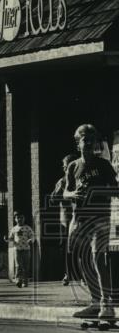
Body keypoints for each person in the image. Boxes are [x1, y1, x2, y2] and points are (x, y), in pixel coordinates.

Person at [63, 124, 117, 320]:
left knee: (97, 258)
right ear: (78, 143)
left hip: (99, 216)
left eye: (91, 140)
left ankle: (106, 304)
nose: (88, 143)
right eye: (84, 139)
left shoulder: (103, 165)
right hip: (79, 218)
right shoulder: (73, 166)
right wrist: (72, 194)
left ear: (95, 143)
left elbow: (116, 190)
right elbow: (65, 192)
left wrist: (96, 193)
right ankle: (95, 302)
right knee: (82, 258)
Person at [51, 153, 80, 286]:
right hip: (67, 220)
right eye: (64, 166)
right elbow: (53, 199)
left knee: (82, 245)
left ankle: (83, 274)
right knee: (67, 247)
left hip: (81, 217)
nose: (64, 169)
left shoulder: (81, 178)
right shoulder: (62, 181)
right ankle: (68, 274)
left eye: (65, 166)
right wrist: (62, 187)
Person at [7, 212, 35, 288]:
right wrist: (7, 239)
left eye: (21, 218)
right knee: (18, 265)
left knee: (26, 266)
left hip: (26, 249)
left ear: (24, 219)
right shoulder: (14, 229)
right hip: (17, 249)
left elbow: (32, 236)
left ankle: (25, 282)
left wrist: (31, 240)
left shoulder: (28, 228)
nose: (19, 219)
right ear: (15, 219)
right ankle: (18, 280)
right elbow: (11, 238)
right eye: (17, 218)